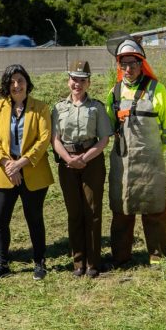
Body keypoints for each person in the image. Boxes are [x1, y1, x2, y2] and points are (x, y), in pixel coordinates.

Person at [105, 33, 166, 267]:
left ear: (141, 64)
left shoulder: (157, 90)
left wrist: (155, 150)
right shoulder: (113, 93)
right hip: (122, 162)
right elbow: (109, 126)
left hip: (150, 162)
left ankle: (157, 257)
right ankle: (121, 257)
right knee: (122, 210)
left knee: (154, 209)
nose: (128, 69)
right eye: (123, 64)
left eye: (132, 64)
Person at [0, 64, 53, 280]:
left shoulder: (40, 108)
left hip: (32, 170)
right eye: (12, 82)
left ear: (27, 83)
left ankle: (39, 262)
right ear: (7, 85)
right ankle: (1, 263)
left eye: (20, 80)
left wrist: (20, 163)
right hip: (4, 171)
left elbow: (43, 140)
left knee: (34, 218)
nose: (17, 85)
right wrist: (8, 165)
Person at [51, 61, 112, 278]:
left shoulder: (96, 107)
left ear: (89, 83)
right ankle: (78, 261)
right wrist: (68, 158)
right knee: (74, 212)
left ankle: (93, 262)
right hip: (67, 163)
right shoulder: (58, 108)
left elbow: (104, 138)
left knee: (92, 211)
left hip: (91, 161)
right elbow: (54, 139)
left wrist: (84, 158)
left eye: (82, 80)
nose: (77, 84)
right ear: (69, 81)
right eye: (74, 79)